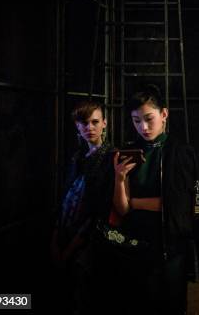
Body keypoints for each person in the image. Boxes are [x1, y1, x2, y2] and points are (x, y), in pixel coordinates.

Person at [104, 85, 199, 314]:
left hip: (170, 247)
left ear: (164, 114)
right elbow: (121, 210)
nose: (143, 127)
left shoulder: (181, 153)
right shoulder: (130, 153)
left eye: (149, 118)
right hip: (136, 247)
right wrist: (119, 179)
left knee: (170, 304)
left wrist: (136, 203)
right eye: (136, 120)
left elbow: (176, 205)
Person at [51, 99, 114, 313]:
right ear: (77, 126)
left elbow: (100, 209)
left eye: (95, 122)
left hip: (91, 241)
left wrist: (71, 247)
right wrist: (57, 236)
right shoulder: (77, 157)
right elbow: (67, 198)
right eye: (84, 123)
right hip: (68, 231)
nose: (90, 128)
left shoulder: (111, 157)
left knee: (87, 296)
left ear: (104, 123)